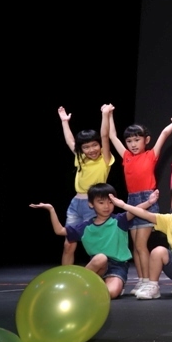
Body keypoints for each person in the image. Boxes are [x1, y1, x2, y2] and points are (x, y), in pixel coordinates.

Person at [30, 183, 158, 299]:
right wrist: (51, 209)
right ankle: (75, 285)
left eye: (110, 202)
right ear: (91, 204)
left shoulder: (119, 220)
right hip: (97, 266)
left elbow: (135, 210)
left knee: (111, 293)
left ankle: (96, 287)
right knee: (100, 258)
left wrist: (149, 202)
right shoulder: (85, 227)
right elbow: (60, 231)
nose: (106, 206)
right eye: (101, 202)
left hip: (117, 267)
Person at [106, 105, 172, 294]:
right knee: (135, 246)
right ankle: (142, 279)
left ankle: (150, 282)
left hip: (147, 198)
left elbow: (164, 134)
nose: (133, 144)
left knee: (140, 244)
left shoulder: (150, 155)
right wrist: (109, 114)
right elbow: (112, 136)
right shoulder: (126, 156)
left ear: (146, 140)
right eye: (129, 141)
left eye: (137, 140)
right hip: (131, 200)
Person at [57, 105, 114, 266]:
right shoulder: (81, 158)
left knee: (95, 245)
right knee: (69, 244)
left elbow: (104, 136)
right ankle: (66, 276)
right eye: (86, 147)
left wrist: (105, 115)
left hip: (94, 205)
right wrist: (65, 122)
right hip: (76, 205)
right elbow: (70, 142)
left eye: (94, 145)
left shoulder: (105, 159)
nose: (91, 150)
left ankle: (98, 275)